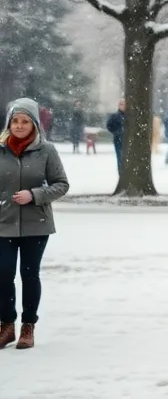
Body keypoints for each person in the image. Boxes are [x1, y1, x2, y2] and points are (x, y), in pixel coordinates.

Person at [0, 98, 70, 350]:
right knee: (3, 274)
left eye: (25, 121)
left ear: (34, 124)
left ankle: (28, 326)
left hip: (36, 224)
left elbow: (61, 184)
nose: (19, 126)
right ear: (9, 123)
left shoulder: (46, 150)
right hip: (3, 223)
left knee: (29, 275)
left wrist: (35, 195)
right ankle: (6, 324)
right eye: (15, 121)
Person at [105, 99, 126, 172]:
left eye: (124, 104)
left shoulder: (129, 117)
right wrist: (116, 132)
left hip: (127, 140)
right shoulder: (115, 116)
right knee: (120, 157)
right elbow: (109, 126)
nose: (123, 106)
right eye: (121, 104)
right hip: (118, 139)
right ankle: (121, 173)